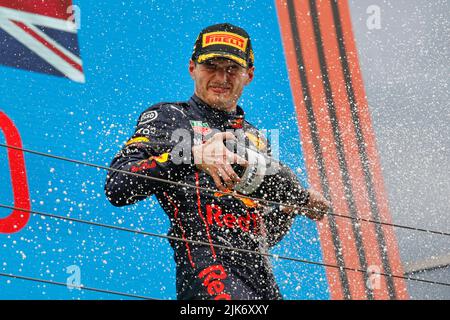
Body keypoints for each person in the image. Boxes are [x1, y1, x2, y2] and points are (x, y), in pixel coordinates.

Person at [104, 23, 330, 300]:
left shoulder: (256, 138)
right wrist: (192, 156)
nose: (221, 77)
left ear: (249, 75)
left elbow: (261, 236)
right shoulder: (171, 117)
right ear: (192, 68)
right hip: (208, 277)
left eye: (232, 68)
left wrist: (291, 206)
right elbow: (117, 185)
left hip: (263, 287)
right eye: (211, 65)